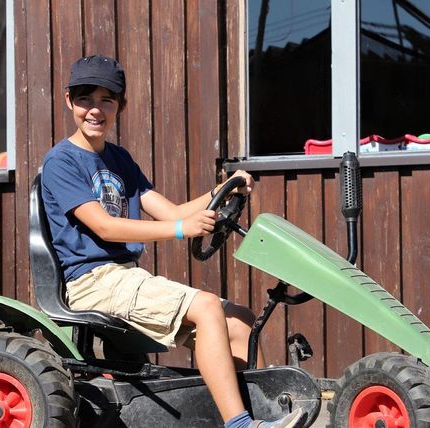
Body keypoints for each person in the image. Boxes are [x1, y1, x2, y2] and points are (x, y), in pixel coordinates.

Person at [41, 55, 305, 428]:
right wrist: (182, 230)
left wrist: (221, 191)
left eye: (107, 100)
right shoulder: (62, 162)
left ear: (121, 105)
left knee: (240, 321)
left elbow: (171, 211)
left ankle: (264, 413)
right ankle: (241, 425)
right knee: (208, 306)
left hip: (125, 277)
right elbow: (106, 228)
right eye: (86, 99)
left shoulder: (120, 160)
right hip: (91, 282)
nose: (95, 110)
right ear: (69, 100)